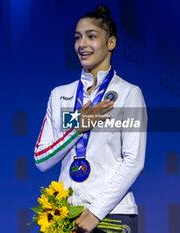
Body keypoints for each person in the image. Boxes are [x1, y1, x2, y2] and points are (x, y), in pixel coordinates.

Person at [34, 4, 147, 233]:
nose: (81, 44)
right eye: (77, 38)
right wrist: (77, 127)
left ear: (111, 43)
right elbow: (41, 159)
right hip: (65, 214)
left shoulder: (128, 94)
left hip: (113, 214)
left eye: (91, 36)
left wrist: (95, 211)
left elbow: (134, 161)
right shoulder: (60, 96)